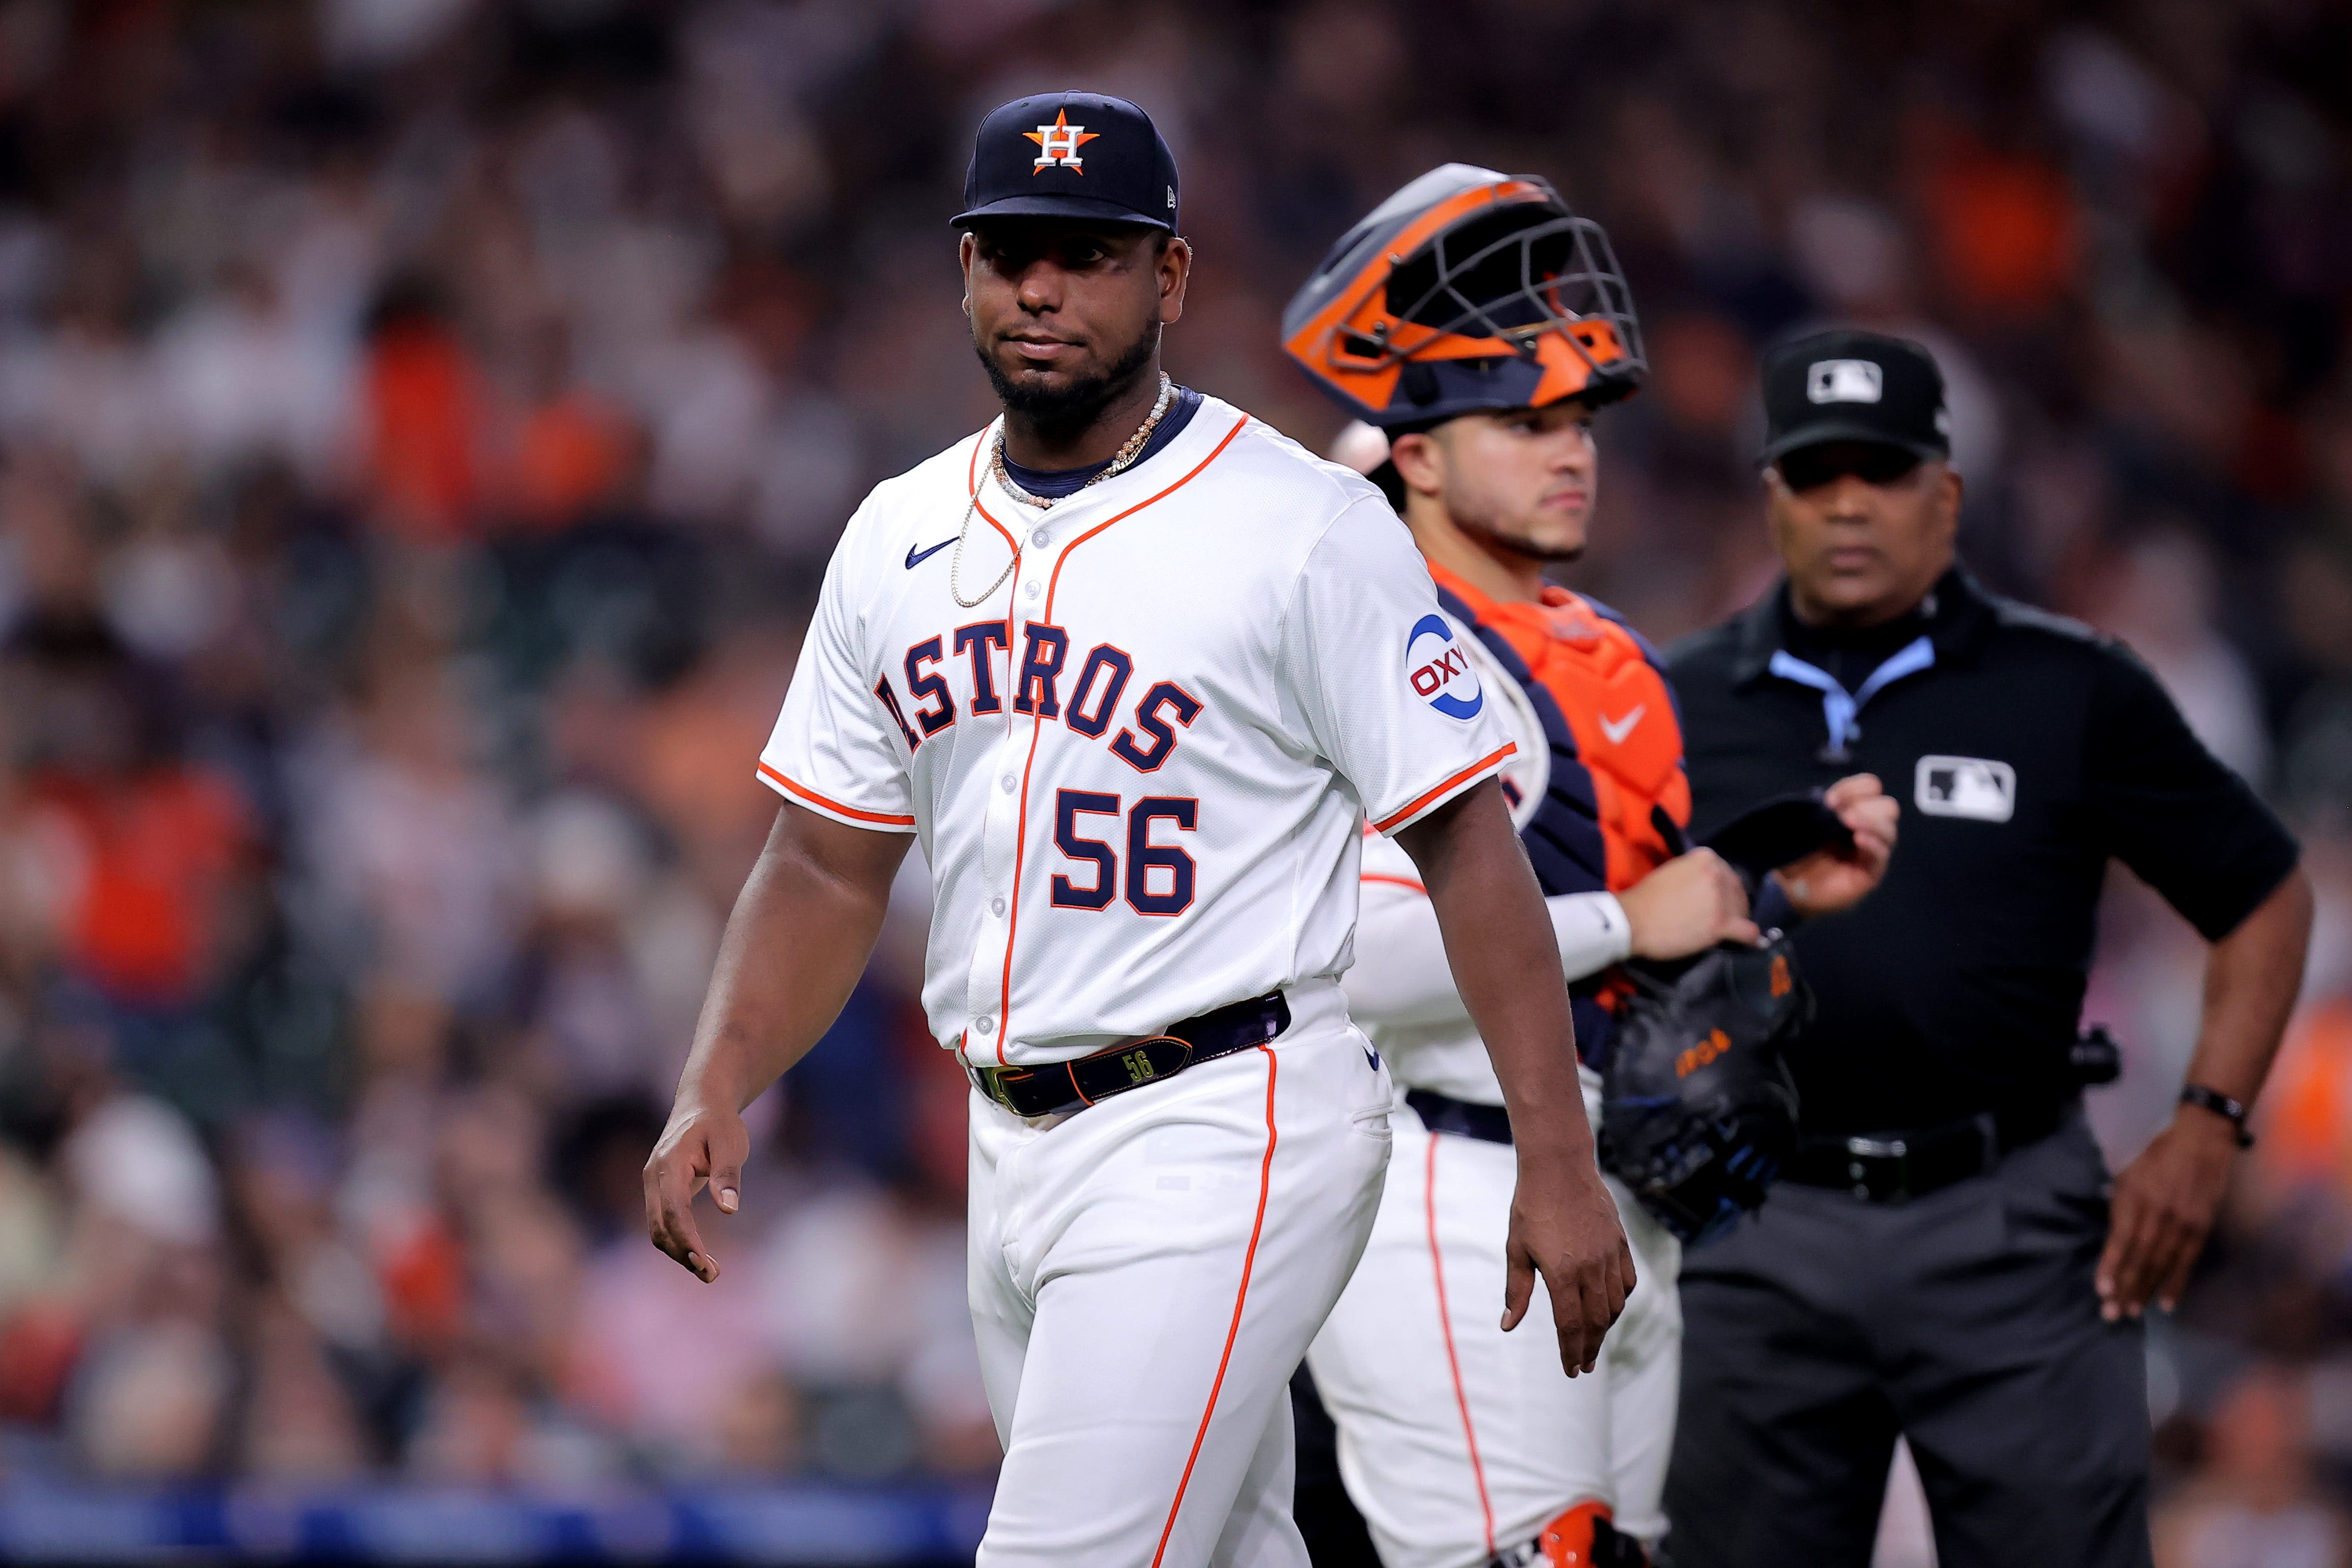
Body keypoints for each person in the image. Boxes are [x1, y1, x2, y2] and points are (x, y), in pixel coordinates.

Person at [640, 97, 1636, 1568]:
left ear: (1166, 278)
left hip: (1224, 1115)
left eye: (1090, 255)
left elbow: (1466, 846)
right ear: (965, 268)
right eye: (1013, 253)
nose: (1043, 290)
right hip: (1008, 1140)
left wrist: (1555, 1160)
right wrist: (718, 1071)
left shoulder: (1298, 523)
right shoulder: (895, 535)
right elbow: (823, 858)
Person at [1277, 167, 1897, 1568]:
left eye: (1578, 423)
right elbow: (1353, 961)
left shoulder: (1599, 649)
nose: (1570, 452)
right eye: (1520, 423)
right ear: (1415, 455)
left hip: (1611, 1190)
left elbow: (1624, 903)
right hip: (1442, 1180)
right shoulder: (1373, 647)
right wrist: (1626, 920)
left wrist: (1770, 884)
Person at [1662, 328, 2316, 1567]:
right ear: (1771, 498)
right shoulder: (1676, 695)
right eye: (1814, 472)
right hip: (1757, 1224)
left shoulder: (2066, 685)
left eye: (1883, 468)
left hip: (2010, 1221)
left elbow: (2264, 893)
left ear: (1945, 491)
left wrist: (2208, 1123)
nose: (1847, 501)